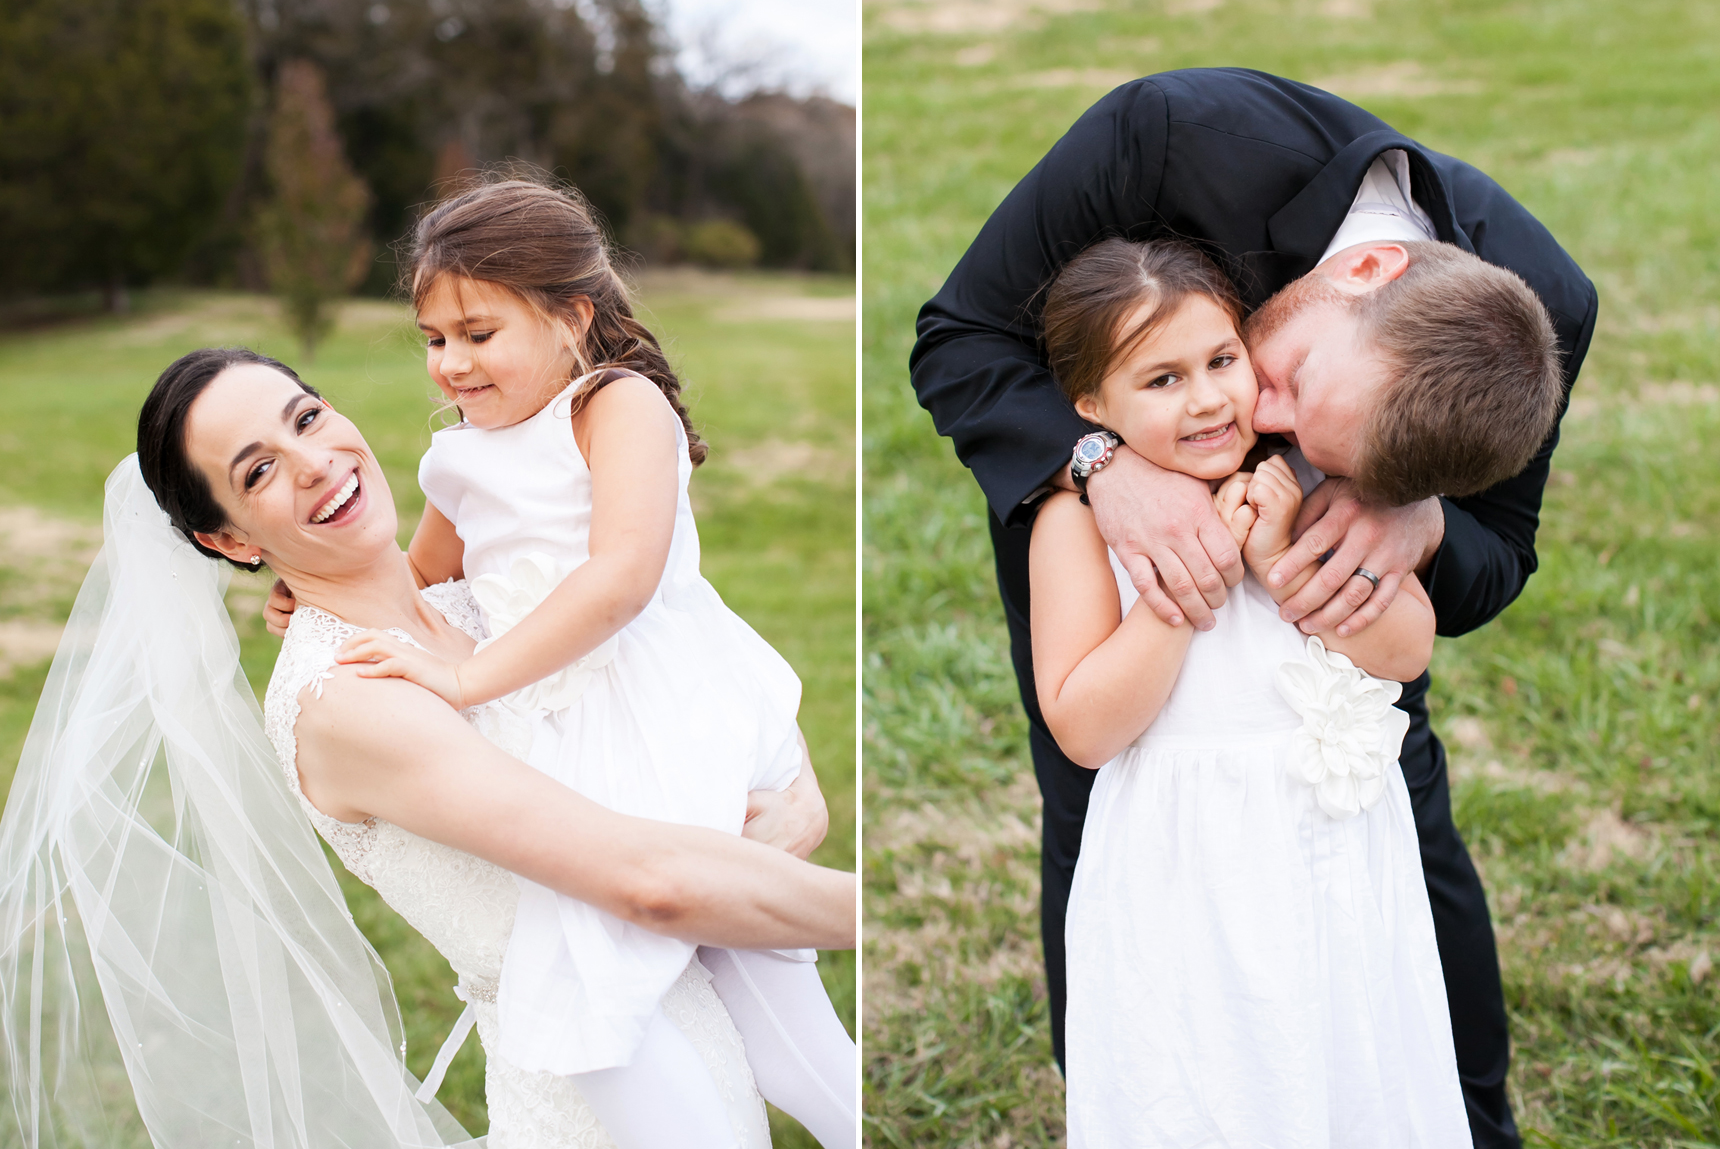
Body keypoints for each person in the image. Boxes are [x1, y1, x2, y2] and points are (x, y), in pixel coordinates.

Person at [910, 67, 1597, 1147]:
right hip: (1111, 521)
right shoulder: (1165, 136)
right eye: (1285, 384)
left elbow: (1496, 554)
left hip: (1324, 637)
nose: (1256, 419)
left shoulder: (1541, 311)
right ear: (1364, 268)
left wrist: (1415, 521)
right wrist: (1094, 465)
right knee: (1098, 814)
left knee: (1390, 804)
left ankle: (1457, 1115)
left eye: (1331, 450)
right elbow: (959, 335)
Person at [0, 347, 855, 1148]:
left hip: (703, 1013)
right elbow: (650, 885)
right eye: (258, 471)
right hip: (596, 1092)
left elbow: (678, 678)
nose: (314, 463)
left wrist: (799, 790)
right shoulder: (349, 701)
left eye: (305, 418)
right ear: (232, 541)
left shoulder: (474, 592)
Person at [299, 176, 854, 1148]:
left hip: (653, 701)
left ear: (570, 315)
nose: (452, 364)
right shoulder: (464, 450)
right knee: (675, 993)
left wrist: (470, 678)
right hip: (561, 718)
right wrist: (307, 580)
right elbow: (421, 577)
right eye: (434, 338)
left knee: (602, 984)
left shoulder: (613, 403)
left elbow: (620, 580)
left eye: (478, 331)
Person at [1036, 236, 1561, 1145]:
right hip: (1184, 860)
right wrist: (1183, 587)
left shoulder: (1318, 480)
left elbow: (1406, 649)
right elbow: (1083, 727)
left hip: (1335, 849)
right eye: (1160, 381)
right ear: (1092, 407)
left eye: (1221, 361)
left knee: (1349, 1060)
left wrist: (1280, 555)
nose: (1205, 398)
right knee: (1209, 1074)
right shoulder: (1076, 524)